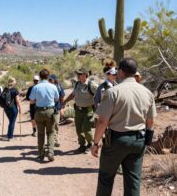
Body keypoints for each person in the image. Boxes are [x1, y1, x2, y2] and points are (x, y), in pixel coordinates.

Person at [91, 58, 157, 196]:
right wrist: (147, 142)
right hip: (138, 139)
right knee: (133, 180)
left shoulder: (113, 92)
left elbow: (102, 121)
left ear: (121, 72)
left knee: (106, 178)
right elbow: (150, 122)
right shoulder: (147, 93)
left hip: (116, 140)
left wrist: (95, 143)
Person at [63, 68, 98, 153]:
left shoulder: (92, 85)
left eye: (80, 74)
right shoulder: (77, 84)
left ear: (85, 75)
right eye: (77, 74)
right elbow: (73, 94)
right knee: (79, 129)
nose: (78, 75)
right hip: (78, 110)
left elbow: (101, 95)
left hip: (88, 110)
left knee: (86, 129)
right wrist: (65, 101)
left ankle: (90, 144)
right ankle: (82, 145)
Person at [30, 69, 59, 162]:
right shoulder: (53, 86)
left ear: (40, 76)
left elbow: (31, 101)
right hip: (50, 111)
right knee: (50, 132)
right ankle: (50, 152)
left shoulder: (36, 87)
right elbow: (57, 98)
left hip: (39, 111)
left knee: (40, 134)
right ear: (48, 76)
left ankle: (41, 154)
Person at [49, 74, 65, 147]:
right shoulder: (47, 87)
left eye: (51, 79)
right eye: (49, 79)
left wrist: (62, 108)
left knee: (56, 124)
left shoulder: (59, 87)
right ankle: (51, 140)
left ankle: (55, 140)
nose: (50, 80)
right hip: (49, 108)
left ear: (54, 80)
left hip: (57, 108)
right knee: (49, 125)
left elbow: (62, 98)